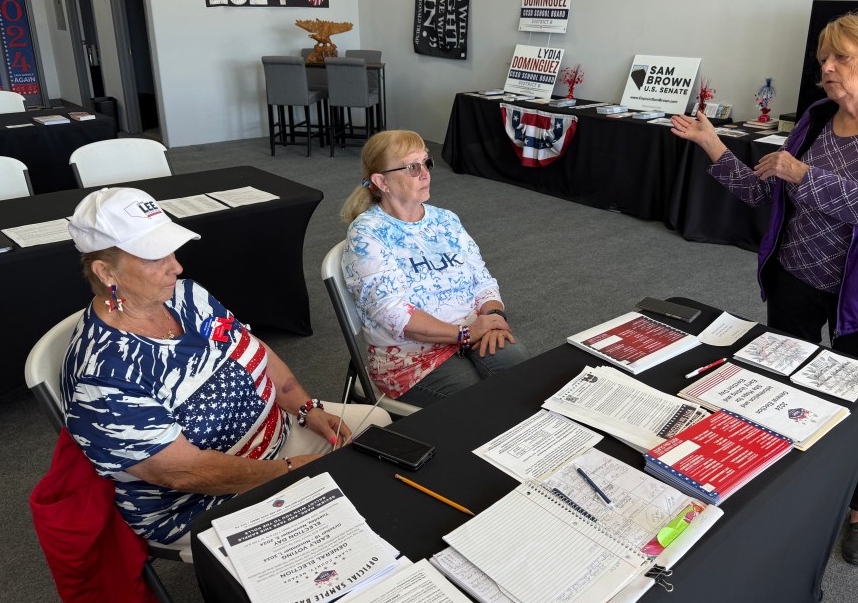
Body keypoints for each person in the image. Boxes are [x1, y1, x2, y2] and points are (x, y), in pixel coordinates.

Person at [670, 9, 858, 567]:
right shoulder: (819, 116)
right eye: (824, 57)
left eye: (841, 57)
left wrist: (804, 175)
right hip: (795, 276)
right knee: (783, 383)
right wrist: (712, 145)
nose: (826, 68)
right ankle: (789, 481)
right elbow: (762, 192)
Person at [62, 186, 391, 555]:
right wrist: (288, 471)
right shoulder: (102, 377)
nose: (177, 266)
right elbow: (185, 472)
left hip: (278, 437)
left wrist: (305, 407)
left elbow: (255, 351)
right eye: (155, 257)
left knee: (378, 432)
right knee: (331, 532)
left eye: (171, 249)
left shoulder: (186, 295)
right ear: (106, 272)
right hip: (201, 498)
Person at [341, 129, 531, 407]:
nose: (425, 173)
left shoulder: (446, 220)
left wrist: (492, 317)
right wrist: (464, 334)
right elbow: (392, 313)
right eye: (411, 167)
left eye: (426, 163)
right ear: (382, 182)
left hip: (473, 331)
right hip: (409, 357)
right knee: (483, 406)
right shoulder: (367, 234)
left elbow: (482, 279)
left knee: (527, 379)